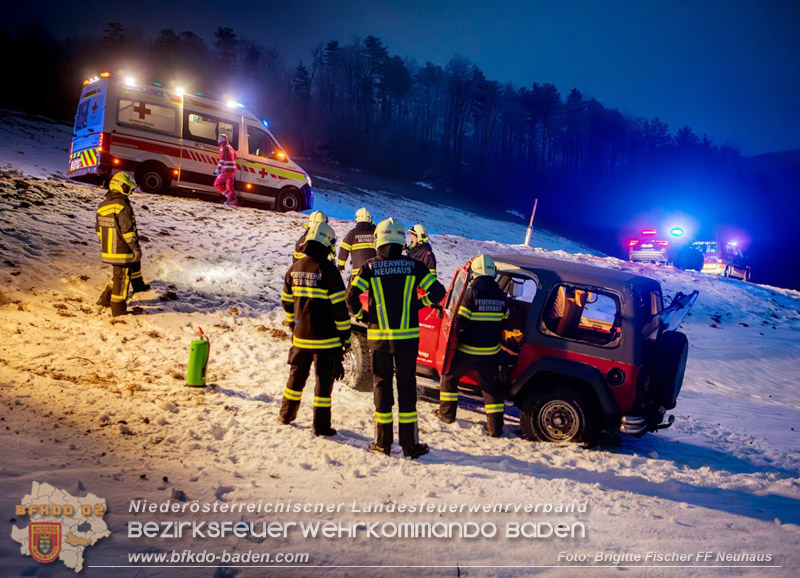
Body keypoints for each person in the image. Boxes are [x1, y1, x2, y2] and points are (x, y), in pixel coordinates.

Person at [346, 217, 446, 458]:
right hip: (408, 341)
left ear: (378, 240)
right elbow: (439, 292)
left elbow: (351, 298)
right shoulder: (415, 266)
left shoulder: (368, 267)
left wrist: (364, 315)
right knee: (407, 388)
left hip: (379, 339)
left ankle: (382, 443)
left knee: (381, 387)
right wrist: (418, 304)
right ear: (401, 241)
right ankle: (410, 445)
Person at [279, 221, 350, 436]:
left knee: (295, 378)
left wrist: (294, 326)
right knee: (323, 384)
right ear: (328, 244)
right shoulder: (329, 271)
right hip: (326, 341)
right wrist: (345, 339)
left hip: (300, 339)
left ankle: (286, 414)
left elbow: (286, 303)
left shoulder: (295, 268)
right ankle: (321, 426)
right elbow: (340, 311)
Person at [436, 255, 509, 436]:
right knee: (490, 390)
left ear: (475, 273)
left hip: (468, 351)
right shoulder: (501, 296)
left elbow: (460, 321)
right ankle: (495, 429)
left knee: (449, 377)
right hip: (491, 353)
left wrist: (458, 337)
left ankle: (446, 416)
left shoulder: (470, 294)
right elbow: (505, 319)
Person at [95, 172, 149, 317]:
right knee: (122, 280)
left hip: (109, 249)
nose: (130, 191)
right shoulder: (122, 205)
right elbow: (128, 231)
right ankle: (118, 310)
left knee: (119, 275)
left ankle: (105, 299)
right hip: (122, 249)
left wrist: (105, 245)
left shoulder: (102, 205)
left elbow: (98, 230)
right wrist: (136, 249)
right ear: (120, 186)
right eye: (128, 187)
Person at [337, 207, 376, 277]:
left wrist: (341, 266)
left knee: (356, 288)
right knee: (376, 287)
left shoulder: (352, 234)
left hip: (358, 272)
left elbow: (343, 250)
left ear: (356, 218)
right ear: (370, 219)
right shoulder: (376, 233)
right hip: (374, 270)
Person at [214, 133, 238, 206]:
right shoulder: (230, 147)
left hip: (227, 169)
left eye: (219, 138)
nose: (217, 140)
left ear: (224, 139)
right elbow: (236, 156)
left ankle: (230, 198)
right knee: (229, 185)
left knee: (217, 184)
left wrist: (218, 170)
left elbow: (222, 159)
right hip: (233, 169)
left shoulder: (223, 147)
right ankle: (234, 202)